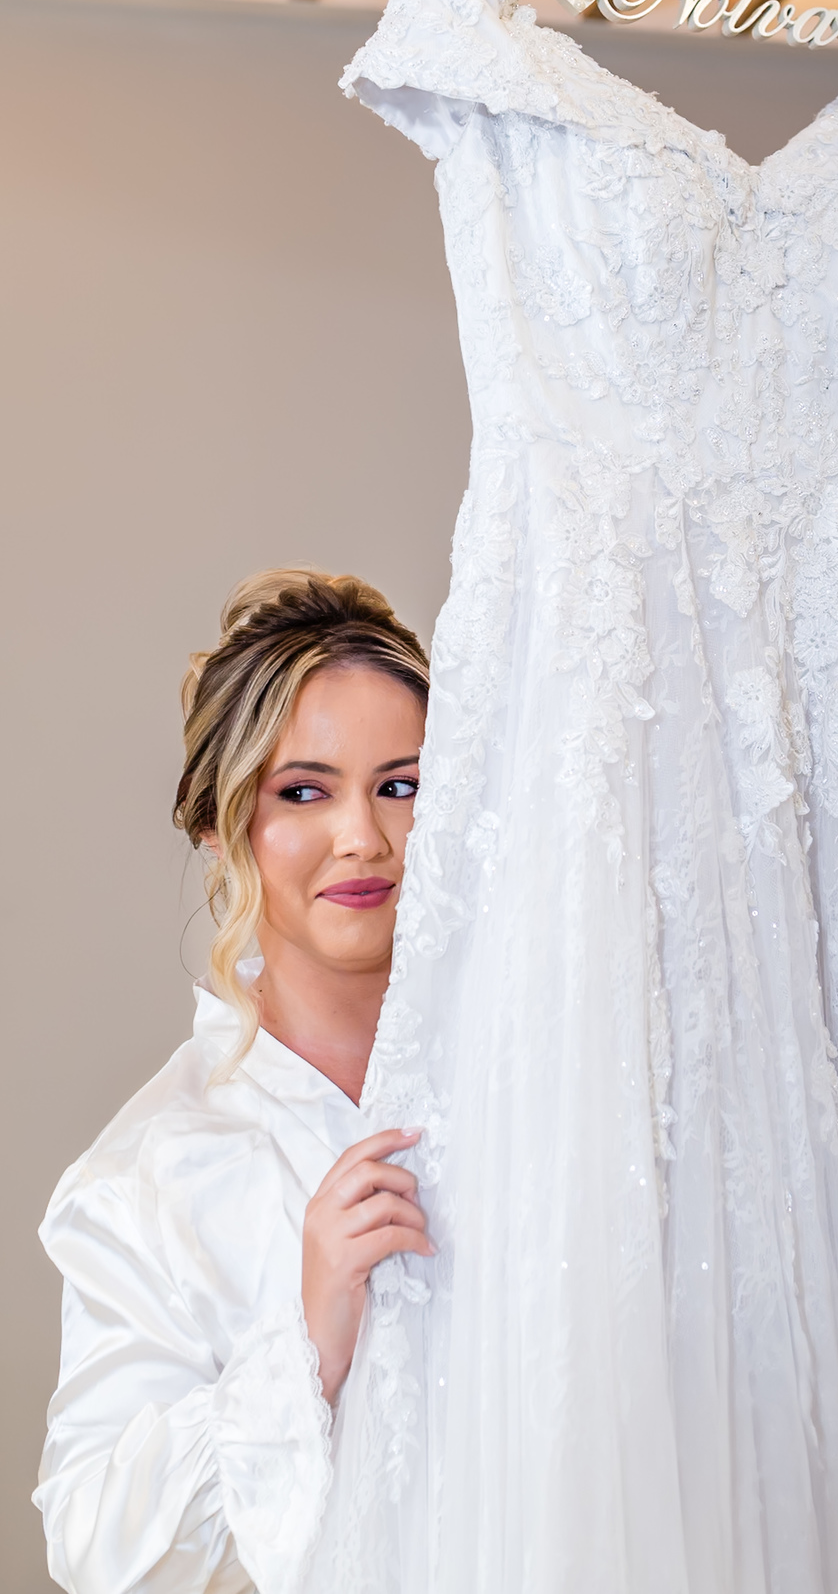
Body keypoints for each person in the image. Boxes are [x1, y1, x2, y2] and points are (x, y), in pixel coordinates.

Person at [36, 568, 434, 1594]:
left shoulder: (545, 1079)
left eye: (401, 785)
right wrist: (305, 1340)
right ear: (220, 827)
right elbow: (97, 1551)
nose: (363, 836)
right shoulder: (146, 1179)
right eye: (304, 791)